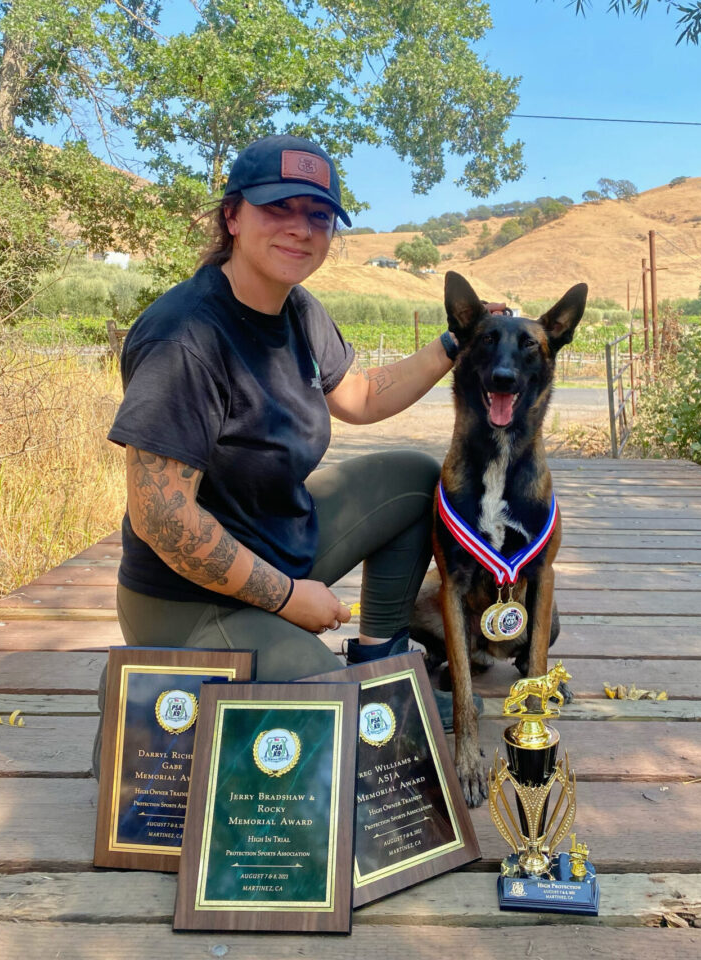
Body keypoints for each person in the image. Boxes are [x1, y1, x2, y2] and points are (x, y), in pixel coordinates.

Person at [99, 134, 491, 756]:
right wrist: (288, 599)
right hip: (186, 600)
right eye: (277, 208)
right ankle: (296, 676)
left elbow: (360, 396)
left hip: (280, 544)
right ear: (232, 216)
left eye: (318, 215)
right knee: (342, 719)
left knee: (417, 480)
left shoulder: (298, 310)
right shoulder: (185, 337)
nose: (300, 229)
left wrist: (454, 344)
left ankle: (381, 660)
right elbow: (162, 519)